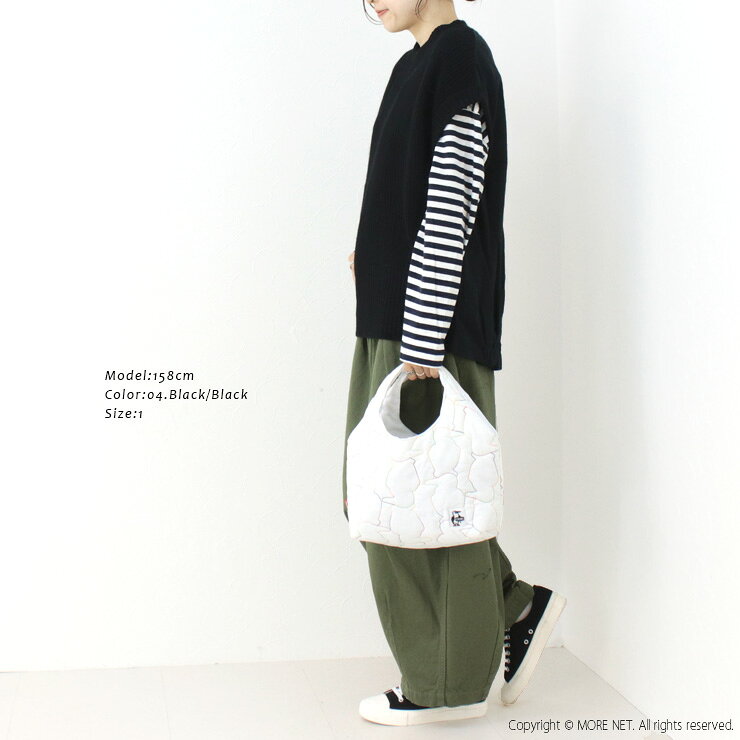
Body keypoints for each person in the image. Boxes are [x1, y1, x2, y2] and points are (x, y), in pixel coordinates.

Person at [342, 0, 567, 726]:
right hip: (394, 322)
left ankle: (449, 683)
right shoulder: (413, 67)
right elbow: (408, 195)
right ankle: (517, 608)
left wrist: (423, 333)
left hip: (425, 330)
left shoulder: (460, 57)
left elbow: (452, 199)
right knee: (392, 494)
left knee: (426, 499)